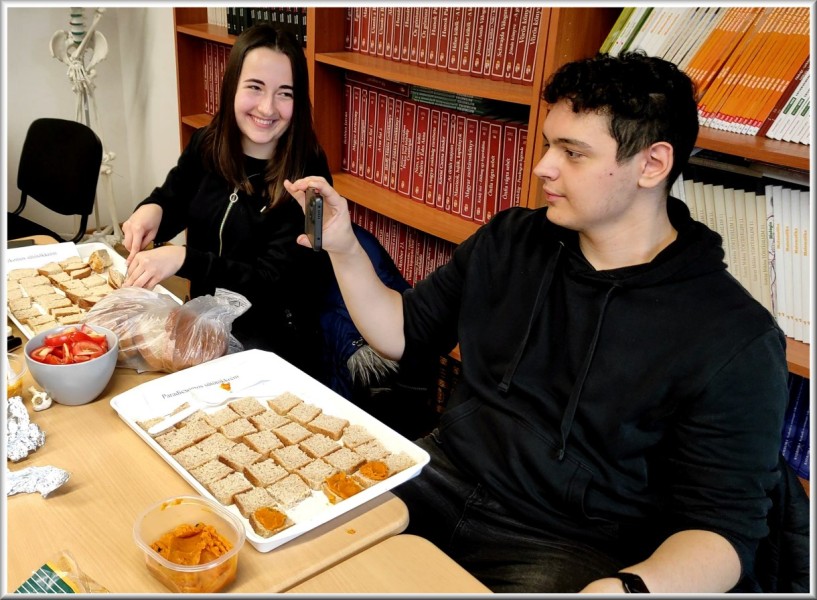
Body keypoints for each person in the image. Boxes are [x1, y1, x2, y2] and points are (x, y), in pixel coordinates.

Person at [284, 51, 790, 593]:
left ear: (652, 164)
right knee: (289, 548)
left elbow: (724, 532)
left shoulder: (733, 334)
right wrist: (343, 247)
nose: (543, 166)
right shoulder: (512, 239)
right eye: (549, 144)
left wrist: (629, 588)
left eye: (573, 152)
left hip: (565, 542)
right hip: (438, 476)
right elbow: (403, 333)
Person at [121, 24, 334, 379]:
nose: (267, 107)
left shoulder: (310, 179)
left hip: (274, 352)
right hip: (201, 336)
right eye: (255, 87)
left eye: (285, 93)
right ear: (231, 85)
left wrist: (185, 259)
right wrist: (151, 210)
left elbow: (275, 282)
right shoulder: (207, 142)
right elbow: (173, 197)